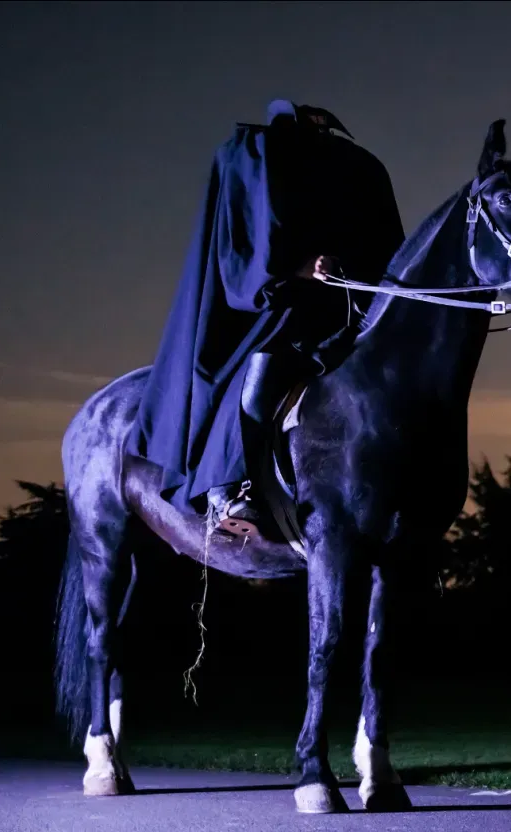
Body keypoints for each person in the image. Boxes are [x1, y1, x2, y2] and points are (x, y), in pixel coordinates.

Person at [129, 100, 406, 536]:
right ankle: (230, 485)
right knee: (262, 365)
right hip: (280, 304)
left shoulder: (354, 167)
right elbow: (245, 248)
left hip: (348, 302)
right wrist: (298, 269)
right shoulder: (256, 158)